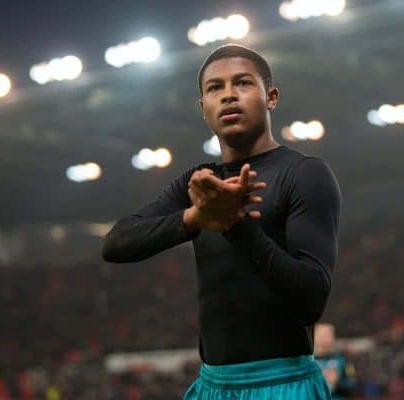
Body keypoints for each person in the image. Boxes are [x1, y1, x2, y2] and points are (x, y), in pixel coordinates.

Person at [102, 44, 341, 399]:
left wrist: (234, 224)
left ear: (271, 97)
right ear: (204, 108)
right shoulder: (198, 183)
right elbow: (116, 243)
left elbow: (311, 300)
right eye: (215, 88)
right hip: (212, 386)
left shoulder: (304, 174)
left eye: (242, 83)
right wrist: (195, 217)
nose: (228, 95)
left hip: (282, 384)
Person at [314, 323, 356, 399]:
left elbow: (351, 385)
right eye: (321, 335)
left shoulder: (343, 359)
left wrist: (338, 382)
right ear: (314, 337)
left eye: (327, 335)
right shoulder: (307, 362)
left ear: (333, 338)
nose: (324, 338)